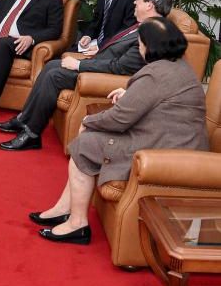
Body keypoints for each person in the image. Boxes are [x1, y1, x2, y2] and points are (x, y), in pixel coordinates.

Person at [31, 17, 208, 245]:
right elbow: (157, 97)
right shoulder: (178, 66)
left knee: (86, 143)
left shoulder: (155, 73)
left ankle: (77, 224)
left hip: (165, 148)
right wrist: (129, 92)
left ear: (149, 45)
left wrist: (89, 120)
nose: (139, 47)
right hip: (173, 139)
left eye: (140, 43)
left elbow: (120, 119)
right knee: (90, 137)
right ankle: (65, 209)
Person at [0, 0, 172, 151]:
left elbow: (121, 67)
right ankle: (23, 119)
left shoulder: (151, 33)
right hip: (99, 64)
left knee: (54, 75)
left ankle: (32, 134)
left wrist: (79, 64)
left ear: (149, 5)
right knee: (51, 65)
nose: (134, 1)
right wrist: (98, 50)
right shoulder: (142, 26)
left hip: (107, 78)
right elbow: (120, 52)